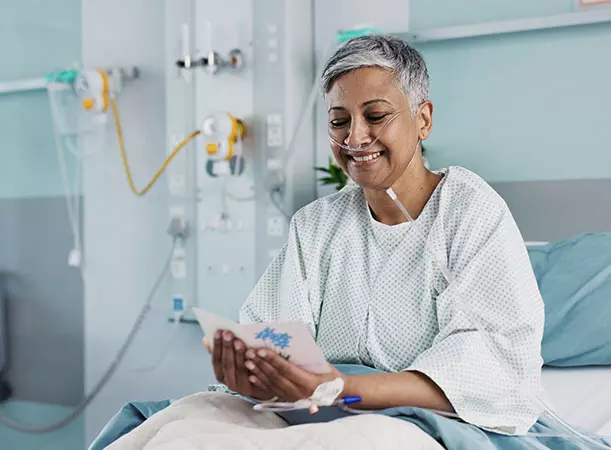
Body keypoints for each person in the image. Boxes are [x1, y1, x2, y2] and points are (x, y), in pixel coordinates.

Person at [209, 34, 545, 436]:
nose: (354, 138)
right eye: (339, 121)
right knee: (178, 428)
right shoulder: (316, 226)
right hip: (311, 416)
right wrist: (254, 373)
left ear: (423, 120)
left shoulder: (469, 212)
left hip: (429, 422)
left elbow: (489, 367)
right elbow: (276, 338)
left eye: (376, 116)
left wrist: (343, 389)